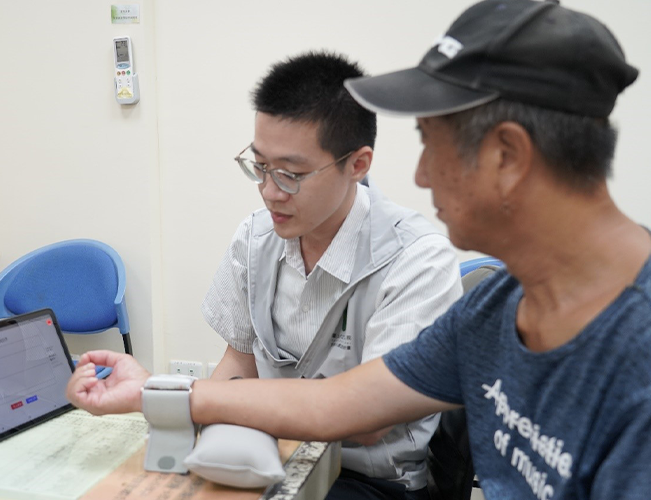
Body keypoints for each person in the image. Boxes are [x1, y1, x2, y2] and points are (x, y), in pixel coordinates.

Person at [67, 1, 651, 498]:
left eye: (432, 146)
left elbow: (362, 429)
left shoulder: (635, 349)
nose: (420, 177)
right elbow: (339, 406)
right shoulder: (494, 308)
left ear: (507, 156)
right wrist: (153, 391)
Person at [200, 51, 462, 499]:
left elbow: (367, 422)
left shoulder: (417, 260)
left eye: (290, 174)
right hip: (271, 452)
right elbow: (239, 363)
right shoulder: (255, 238)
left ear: (357, 164)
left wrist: (190, 398)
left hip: (367, 479)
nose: (269, 192)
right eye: (260, 167)